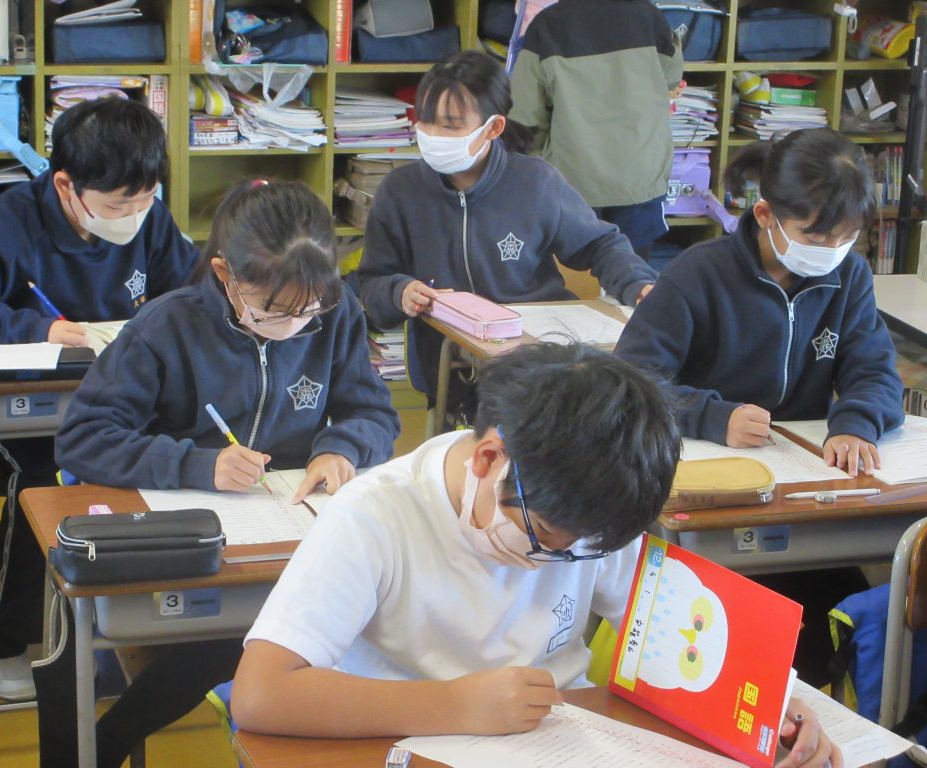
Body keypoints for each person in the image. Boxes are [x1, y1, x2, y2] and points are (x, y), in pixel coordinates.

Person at [229, 343, 841, 768]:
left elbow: (680, 623)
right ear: (489, 460)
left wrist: (774, 706)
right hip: (399, 742)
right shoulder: (374, 517)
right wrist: (459, 705)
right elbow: (260, 694)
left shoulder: (590, 506)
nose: (563, 557)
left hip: (556, 743)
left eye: (585, 549)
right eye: (546, 534)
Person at [48, 178, 400, 768]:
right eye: (274, 310)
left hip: (288, 535)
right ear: (224, 274)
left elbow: (374, 413)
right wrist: (198, 463)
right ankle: (110, 740)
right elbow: (82, 438)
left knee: (343, 622)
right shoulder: (165, 327)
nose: (295, 325)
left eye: (310, 309)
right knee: (259, 638)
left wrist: (340, 449)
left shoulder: (338, 314)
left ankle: (123, 736)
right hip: (189, 539)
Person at [0, 98, 198, 701]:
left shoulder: (148, 217)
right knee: (48, 482)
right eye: (118, 205)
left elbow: (192, 293)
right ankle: (2, 638)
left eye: (146, 199)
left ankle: (142, 627)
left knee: (183, 460)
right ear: (66, 185)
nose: (134, 216)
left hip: (117, 403)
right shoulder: (10, 221)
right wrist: (38, 329)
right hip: (23, 411)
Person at [614, 128, 905, 685]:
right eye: (816, 236)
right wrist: (713, 416)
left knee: (845, 630)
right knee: (732, 647)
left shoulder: (848, 276)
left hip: (802, 495)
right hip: (712, 494)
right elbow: (629, 380)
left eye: (846, 238)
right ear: (766, 214)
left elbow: (874, 370)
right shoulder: (700, 274)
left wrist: (855, 424)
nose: (831, 251)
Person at [356, 50, 657, 411]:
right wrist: (399, 291)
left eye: (450, 126)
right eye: (426, 120)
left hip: (539, 368)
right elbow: (372, 283)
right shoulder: (400, 191)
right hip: (451, 367)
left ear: (493, 128)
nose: (433, 135)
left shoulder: (535, 182)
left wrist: (638, 284)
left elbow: (601, 243)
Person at [509, 0, 683, 258]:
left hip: (573, 180)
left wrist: (536, 173)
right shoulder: (650, 16)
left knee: (573, 275)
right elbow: (671, 76)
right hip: (639, 176)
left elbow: (525, 116)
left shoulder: (546, 25)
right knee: (632, 273)